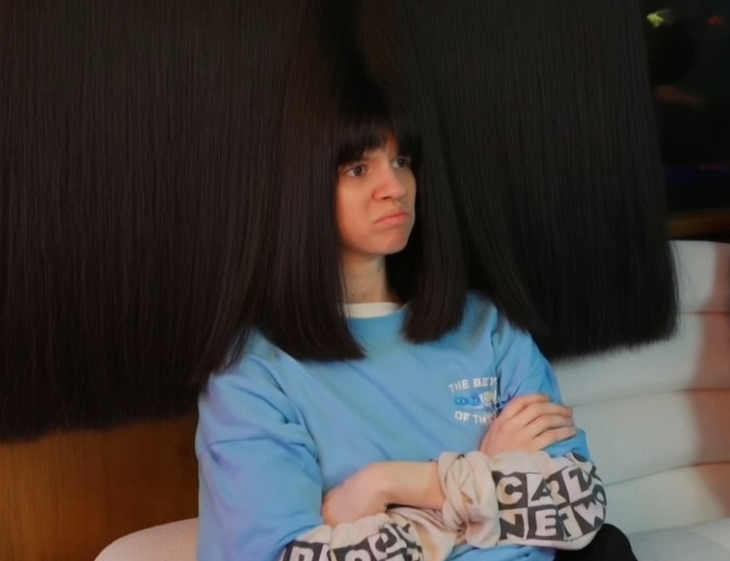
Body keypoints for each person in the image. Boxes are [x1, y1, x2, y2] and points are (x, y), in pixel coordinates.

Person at [195, 82, 620, 561]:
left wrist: (386, 484)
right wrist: (486, 476)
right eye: (358, 169)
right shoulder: (252, 373)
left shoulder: (487, 325)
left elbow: (578, 506)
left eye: (401, 161)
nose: (395, 187)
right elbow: (288, 556)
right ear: (298, 189)